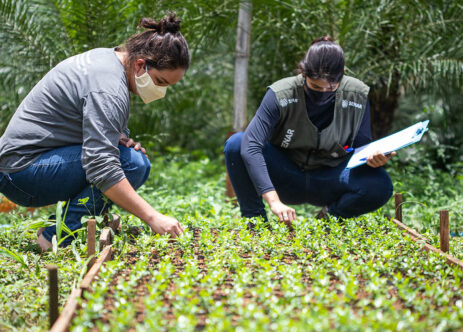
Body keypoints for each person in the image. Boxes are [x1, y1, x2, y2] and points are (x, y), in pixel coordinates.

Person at [0, 13, 189, 250]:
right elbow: (100, 164)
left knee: (131, 159)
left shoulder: (109, 62)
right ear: (141, 64)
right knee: (132, 165)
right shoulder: (108, 87)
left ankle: (57, 227)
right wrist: (153, 217)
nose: (161, 92)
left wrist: (118, 140)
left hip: (26, 166)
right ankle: (54, 237)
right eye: (160, 82)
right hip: (22, 172)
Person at [225, 36, 394, 225]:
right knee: (236, 144)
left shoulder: (358, 95)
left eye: (330, 87)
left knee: (380, 185)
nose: (322, 93)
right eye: (314, 86)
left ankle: (329, 219)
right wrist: (274, 201)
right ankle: (255, 222)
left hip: (329, 178)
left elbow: (361, 149)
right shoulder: (281, 93)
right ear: (303, 72)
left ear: (343, 74)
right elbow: (251, 146)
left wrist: (375, 159)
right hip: (285, 175)